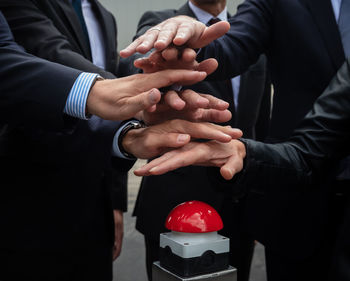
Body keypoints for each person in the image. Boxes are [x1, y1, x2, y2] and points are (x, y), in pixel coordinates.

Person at [0, 9, 244, 281]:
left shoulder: (105, 16)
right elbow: (47, 52)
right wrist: (121, 96)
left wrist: (115, 195)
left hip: (96, 209)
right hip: (30, 206)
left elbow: (127, 67)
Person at [121, 0, 350, 280]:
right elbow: (139, 67)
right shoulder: (172, 23)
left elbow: (261, 122)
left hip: (247, 192)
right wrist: (186, 45)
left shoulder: (261, 54)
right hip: (188, 194)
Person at [131, 1, 271, 280]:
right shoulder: (163, 22)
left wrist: (261, 204)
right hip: (174, 207)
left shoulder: (252, 38)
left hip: (239, 203)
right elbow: (139, 67)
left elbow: (261, 126)